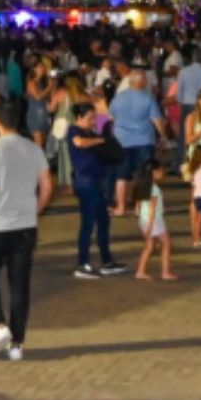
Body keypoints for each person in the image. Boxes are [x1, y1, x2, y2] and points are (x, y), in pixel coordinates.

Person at [0, 99, 53, 362]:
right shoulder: (34, 149)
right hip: (25, 226)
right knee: (20, 285)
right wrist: (35, 209)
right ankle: (17, 342)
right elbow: (47, 187)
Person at [67, 103, 124, 278]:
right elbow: (79, 143)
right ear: (78, 117)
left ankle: (106, 261)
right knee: (88, 223)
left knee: (103, 221)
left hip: (97, 181)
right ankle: (83, 264)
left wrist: (100, 111)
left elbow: (108, 119)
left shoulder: (92, 130)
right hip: (86, 182)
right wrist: (100, 140)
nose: (93, 121)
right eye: (89, 117)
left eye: (94, 117)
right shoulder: (74, 130)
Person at [109, 69, 166, 216]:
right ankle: (139, 206)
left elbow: (111, 118)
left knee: (121, 176)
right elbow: (156, 120)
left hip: (121, 141)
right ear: (142, 82)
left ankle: (121, 207)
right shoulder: (148, 98)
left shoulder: (118, 98)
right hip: (144, 140)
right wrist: (163, 136)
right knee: (143, 174)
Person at [133, 160, 176, 280]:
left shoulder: (142, 185)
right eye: (161, 171)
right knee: (166, 243)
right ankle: (165, 272)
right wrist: (150, 226)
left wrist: (139, 212)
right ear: (154, 172)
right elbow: (153, 208)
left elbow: (138, 203)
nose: (163, 173)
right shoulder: (154, 189)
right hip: (154, 221)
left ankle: (140, 271)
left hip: (144, 219)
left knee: (149, 246)